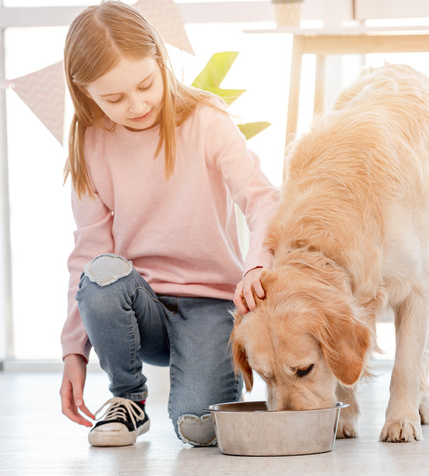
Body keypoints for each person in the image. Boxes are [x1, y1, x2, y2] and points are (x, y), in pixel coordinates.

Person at [58, 0, 279, 448]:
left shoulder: (206, 120)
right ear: (86, 93)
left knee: (199, 427)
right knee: (100, 274)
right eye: (114, 98)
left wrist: (258, 266)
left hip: (212, 305)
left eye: (145, 85)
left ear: (160, 60)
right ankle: (127, 399)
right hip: (140, 308)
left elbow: (263, 200)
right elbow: (88, 254)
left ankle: (200, 396)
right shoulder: (91, 142)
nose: (137, 105)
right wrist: (73, 351)